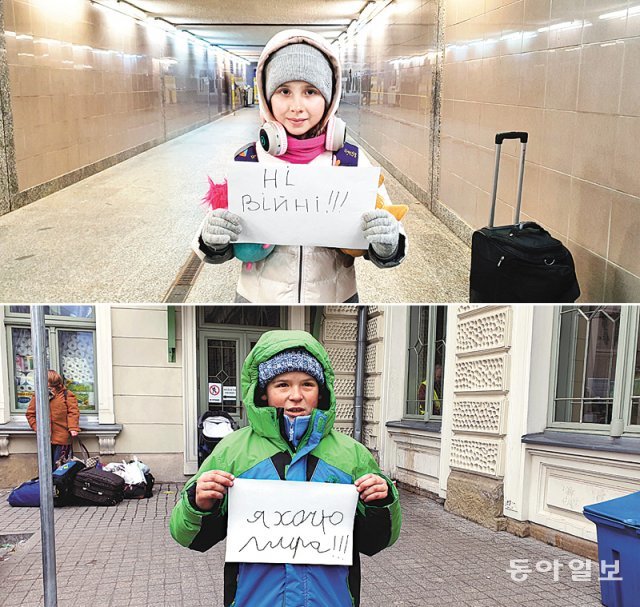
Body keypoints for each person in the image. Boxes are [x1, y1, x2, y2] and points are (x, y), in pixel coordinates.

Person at [170, 330, 401, 607]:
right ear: (264, 393)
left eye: (307, 384)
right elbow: (190, 537)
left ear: (321, 392)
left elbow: (376, 541)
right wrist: (199, 503)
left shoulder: (351, 454)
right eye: (282, 385)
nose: (295, 396)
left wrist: (382, 501)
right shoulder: (233, 451)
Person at [193, 29, 407, 303]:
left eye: (310, 91)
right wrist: (213, 240)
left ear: (329, 98)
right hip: (257, 299)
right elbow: (215, 242)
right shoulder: (249, 160)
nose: (296, 106)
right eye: (284, 91)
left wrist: (387, 243)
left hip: (335, 297)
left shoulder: (351, 161)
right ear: (267, 96)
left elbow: (389, 239)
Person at [25, 370, 80, 469]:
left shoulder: (66, 394)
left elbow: (73, 412)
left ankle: (59, 485)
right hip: (45, 438)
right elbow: (30, 414)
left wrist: (73, 427)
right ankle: (49, 485)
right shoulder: (38, 395)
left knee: (60, 468)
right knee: (45, 468)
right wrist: (37, 428)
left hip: (62, 438)